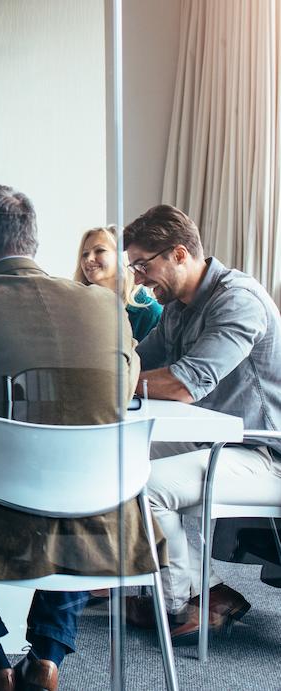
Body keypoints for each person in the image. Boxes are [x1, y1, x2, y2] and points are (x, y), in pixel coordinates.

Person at [0, 185, 151, 691]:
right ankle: (47, 659)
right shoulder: (107, 308)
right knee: (78, 499)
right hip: (106, 517)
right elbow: (114, 401)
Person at [121, 204, 281, 643]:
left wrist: (114, 378)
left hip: (264, 451)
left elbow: (183, 384)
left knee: (145, 486)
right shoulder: (178, 306)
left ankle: (186, 599)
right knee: (113, 462)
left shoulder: (238, 301)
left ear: (177, 254)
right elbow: (139, 360)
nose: (137, 278)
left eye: (141, 265)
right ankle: (205, 592)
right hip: (218, 442)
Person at [73, 225, 163, 341]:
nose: (88, 259)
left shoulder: (150, 313)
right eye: (85, 254)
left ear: (123, 256)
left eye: (99, 250)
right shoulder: (76, 308)